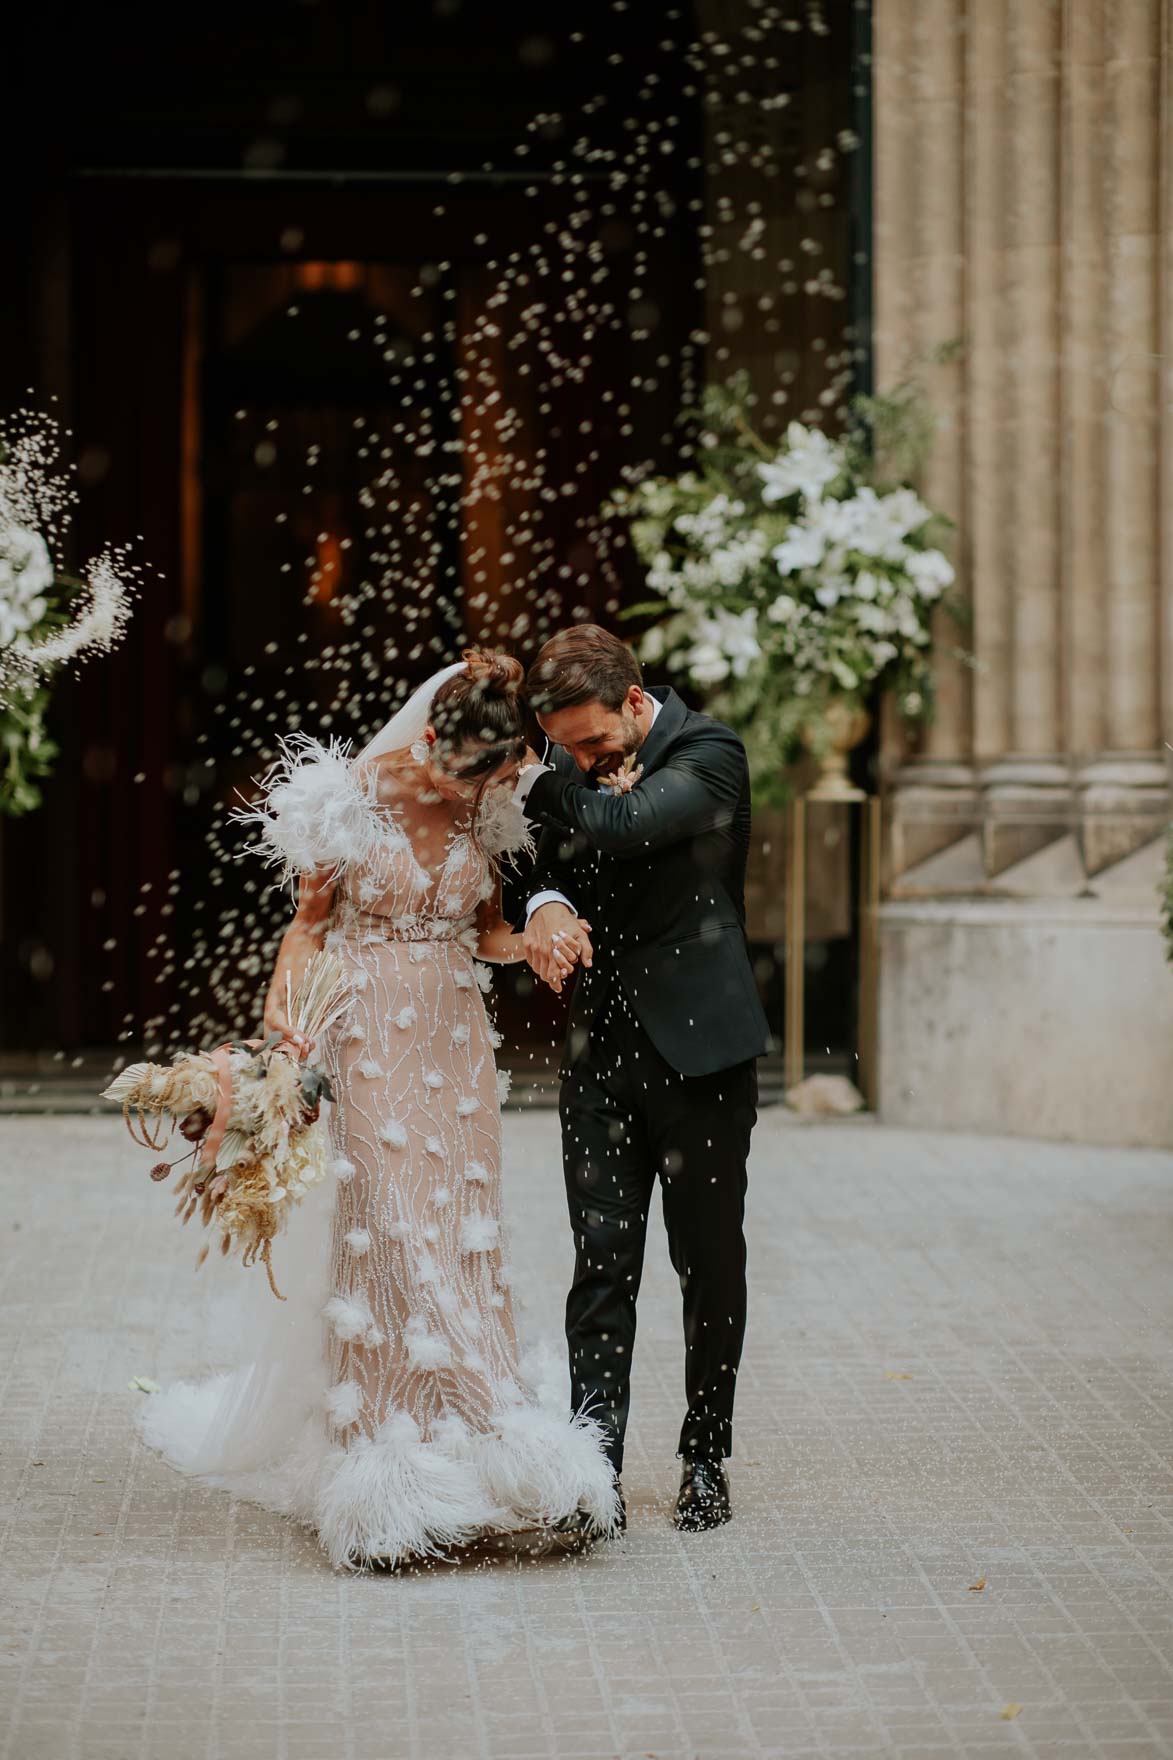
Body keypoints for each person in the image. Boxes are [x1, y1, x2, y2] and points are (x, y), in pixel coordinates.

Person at [137, 650, 619, 1571]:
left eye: (489, 777)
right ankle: (384, 1452)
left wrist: (535, 943)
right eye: (460, 771)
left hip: (452, 1031)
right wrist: (285, 1029)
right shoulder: (342, 800)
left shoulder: (487, 795)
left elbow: (483, 931)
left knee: (459, 1226)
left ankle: (481, 1434)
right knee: (388, 1227)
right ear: (429, 735)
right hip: (362, 1028)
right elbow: (307, 928)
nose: (470, 791)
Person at [512, 624, 770, 1536]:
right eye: (562, 747)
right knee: (600, 1266)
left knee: (708, 1264)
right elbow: (525, 867)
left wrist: (528, 780)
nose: (578, 762)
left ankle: (706, 1457)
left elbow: (622, 824)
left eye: (590, 745)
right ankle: (594, 1473)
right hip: (598, 1056)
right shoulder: (566, 760)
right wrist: (541, 901)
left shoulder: (708, 752)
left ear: (633, 700)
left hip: (701, 1054)